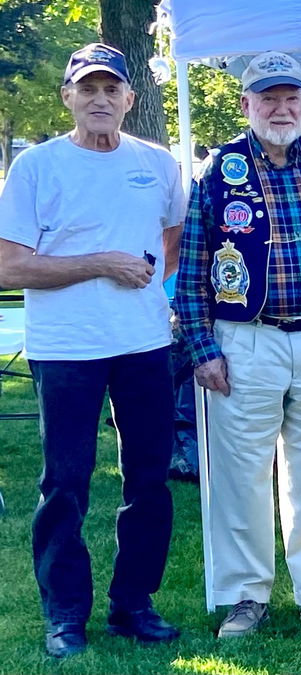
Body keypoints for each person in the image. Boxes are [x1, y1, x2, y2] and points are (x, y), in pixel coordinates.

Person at [0, 43, 184, 657]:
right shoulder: (37, 168)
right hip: (67, 349)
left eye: (112, 90)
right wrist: (102, 264)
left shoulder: (158, 164)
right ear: (69, 98)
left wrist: (151, 289)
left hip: (145, 344)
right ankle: (65, 613)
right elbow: (10, 268)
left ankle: (134, 604)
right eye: (88, 89)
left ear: (131, 99)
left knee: (150, 481)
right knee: (66, 483)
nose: (101, 99)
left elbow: (173, 240)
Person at [176, 51, 301, 637]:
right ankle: (244, 597)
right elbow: (192, 267)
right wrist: (202, 349)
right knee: (241, 473)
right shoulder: (219, 169)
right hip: (245, 341)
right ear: (246, 105)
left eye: (292, 99)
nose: (282, 109)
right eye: (269, 99)